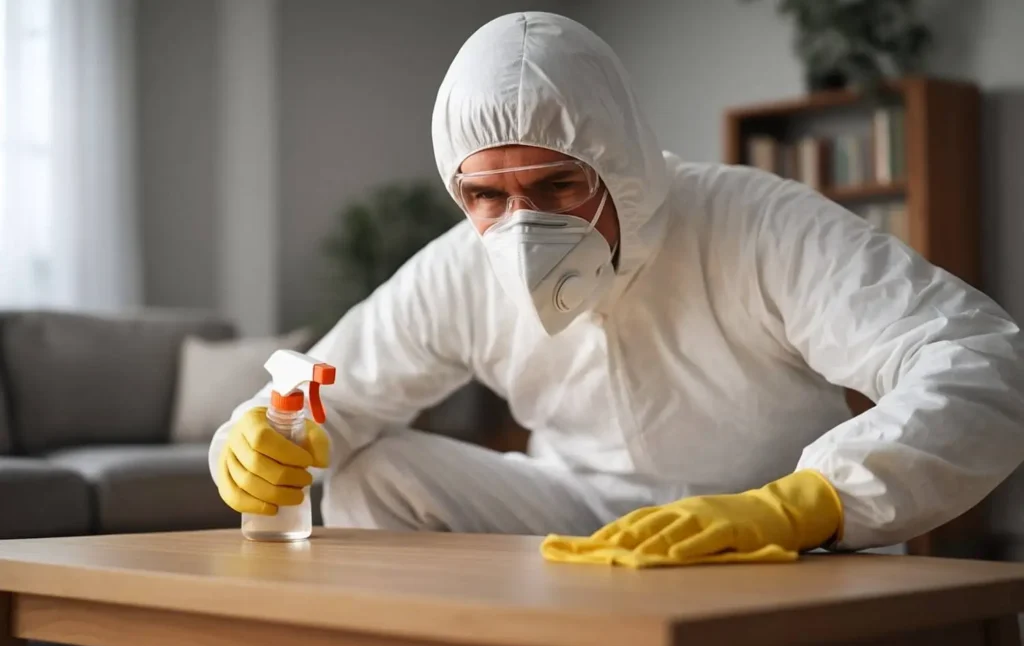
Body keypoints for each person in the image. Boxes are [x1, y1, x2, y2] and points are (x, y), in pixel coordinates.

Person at [209, 12, 1024, 566]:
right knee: (369, 473)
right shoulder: (462, 264)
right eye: (488, 196)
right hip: (569, 533)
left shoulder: (754, 222)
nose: (521, 226)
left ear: (621, 163)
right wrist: (252, 438)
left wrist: (806, 503)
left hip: (768, 537)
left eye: (559, 184)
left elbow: (980, 359)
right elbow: (328, 395)